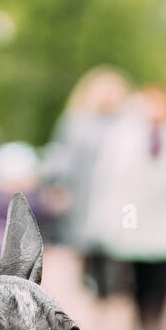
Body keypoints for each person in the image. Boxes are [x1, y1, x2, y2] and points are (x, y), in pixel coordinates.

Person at [90, 86, 166, 330]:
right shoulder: (123, 135)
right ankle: (141, 314)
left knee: (165, 267)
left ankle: (158, 314)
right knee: (137, 267)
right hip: (135, 212)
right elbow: (110, 175)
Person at [50, 66, 131, 298]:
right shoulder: (75, 122)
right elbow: (62, 155)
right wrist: (59, 186)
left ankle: (112, 293)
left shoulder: (129, 124)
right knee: (87, 247)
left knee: (116, 246)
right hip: (83, 192)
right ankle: (94, 290)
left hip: (119, 195)